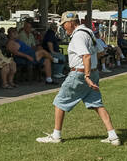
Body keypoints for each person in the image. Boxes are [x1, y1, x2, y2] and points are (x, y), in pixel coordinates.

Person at [37, 11, 119, 146]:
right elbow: (101, 52)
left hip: (80, 74)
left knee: (59, 102)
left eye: (64, 24)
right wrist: (91, 69)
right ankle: (113, 136)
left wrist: (86, 75)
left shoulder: (78, 36)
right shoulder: (89, 32)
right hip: (93, 73)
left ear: (71, 23)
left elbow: (85, 55)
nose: (63, 27)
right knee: (97, 104)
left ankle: (56, 135)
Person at [15, 19, 54, 83]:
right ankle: (55, 60)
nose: (29, 29)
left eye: (30, 27)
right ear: (24, 27)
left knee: (47, 59)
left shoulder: (31, 35)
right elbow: (22, 48)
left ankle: (49, 80)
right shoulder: (21, 35)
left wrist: (37, 47)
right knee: (43, 52)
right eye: (27, 27)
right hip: (25, 54)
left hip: (32, 53)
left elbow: (33, 45)